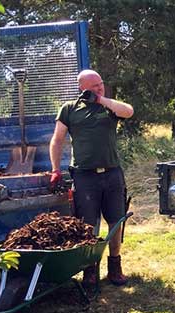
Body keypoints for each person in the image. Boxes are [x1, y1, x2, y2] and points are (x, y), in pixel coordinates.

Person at [49, 69, 134, 286]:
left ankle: (115, 267)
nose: (99, 87)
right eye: (94, 85)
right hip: (85, 177)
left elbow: (129, 111)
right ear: (81, 87)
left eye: (100, 83)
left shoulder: (108, 106)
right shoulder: (70, 109)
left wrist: (101, 99)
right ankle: (90, 269)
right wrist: (55, 169)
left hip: (112, 173)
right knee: (88, 225)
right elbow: (57, 140)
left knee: (116, 222)